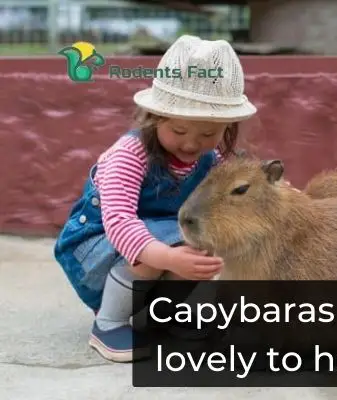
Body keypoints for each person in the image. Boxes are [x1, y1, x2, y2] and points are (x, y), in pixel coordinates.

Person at [53, 35, 267, 363]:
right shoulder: (129, 154)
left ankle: (164, 316)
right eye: (179, 132)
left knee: (197, 240)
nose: (191, 144)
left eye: (209, 134)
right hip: (96, 248)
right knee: (163, 249)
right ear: (154, 117)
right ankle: (108, 324)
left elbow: (240, 192)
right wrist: (168, 259)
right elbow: (120, 223)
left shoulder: (214, 159)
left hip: (154, 241)